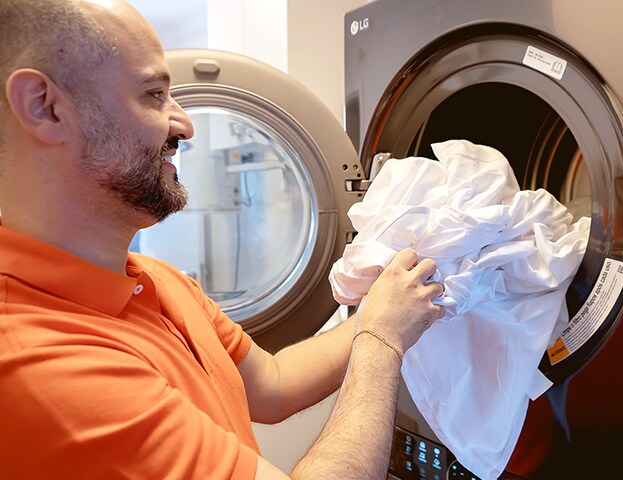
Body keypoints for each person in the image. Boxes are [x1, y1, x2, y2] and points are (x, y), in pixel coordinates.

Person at [0, 0, 445, 478]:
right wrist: (382, 340)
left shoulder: (152, 279)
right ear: (44, 107)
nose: (185, 124)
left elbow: (272, 386)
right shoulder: (44, 365)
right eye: (153, 94)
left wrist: (385, 307)